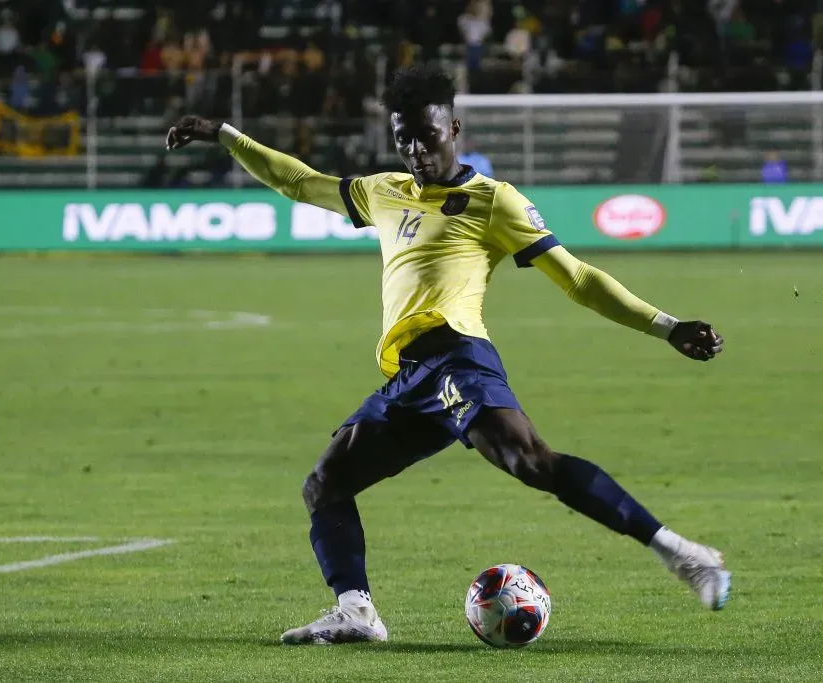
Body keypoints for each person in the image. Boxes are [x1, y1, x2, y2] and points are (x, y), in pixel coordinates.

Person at [165, 65, 729, 645]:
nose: (415, 151)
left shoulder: (493, 201)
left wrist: (667, 326)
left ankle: (685, 555)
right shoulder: (383, 191)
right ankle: (356, 611)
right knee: (326, 483)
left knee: (530, 462)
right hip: (409, 375)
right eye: (403, 138)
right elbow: (300, 182)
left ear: (453, 129)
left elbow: (578, 278)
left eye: (427, 136)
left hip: (456, 355)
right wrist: (225, 135)